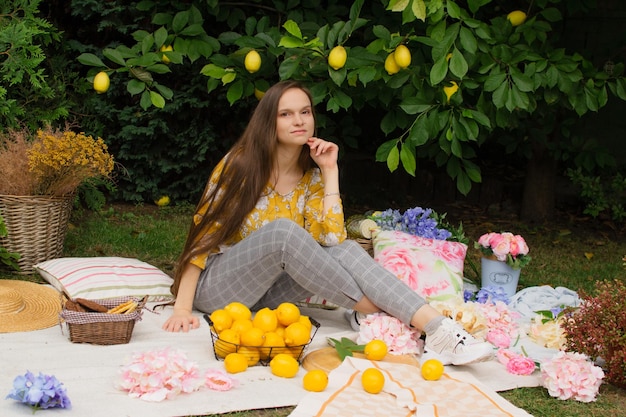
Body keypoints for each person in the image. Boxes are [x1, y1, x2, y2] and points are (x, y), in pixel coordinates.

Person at [162, 80, 493, 366]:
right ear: (269, 122)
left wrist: (330, 171)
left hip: (268, 295)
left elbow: (333, 240)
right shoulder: (241, 164)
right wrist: (182, 308)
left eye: (305, 112)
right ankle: (388, 312)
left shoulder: (311, 176)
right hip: (219, 287)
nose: (299, 121)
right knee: (283, 233)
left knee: (345, 249)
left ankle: (438, 330)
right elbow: (204, 234)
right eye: (286, 114)